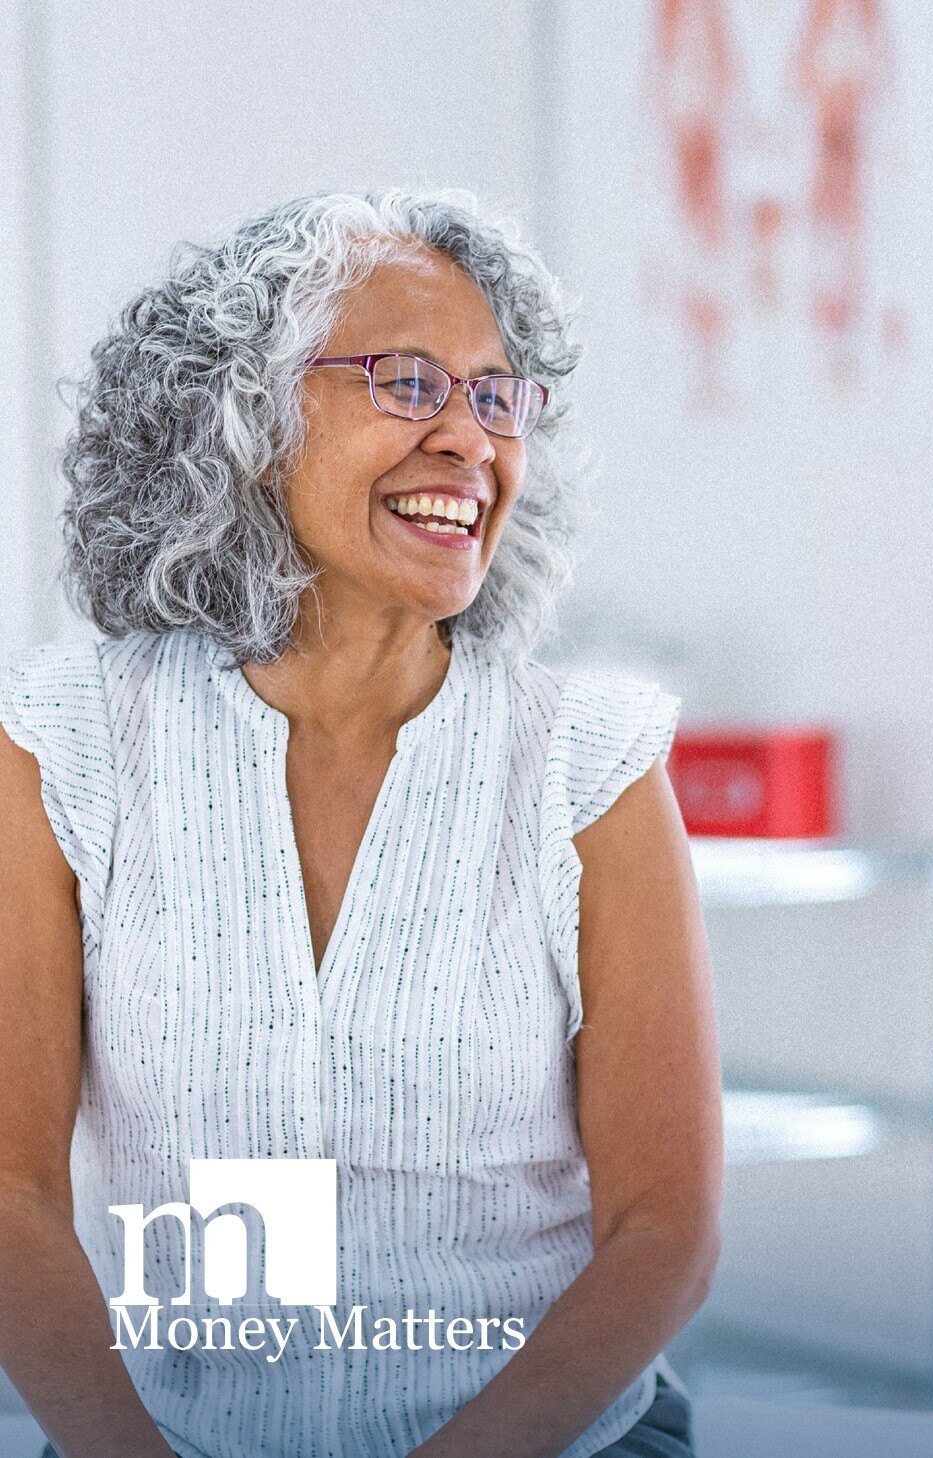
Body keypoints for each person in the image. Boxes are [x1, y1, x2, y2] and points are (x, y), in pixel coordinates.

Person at [0, 188, 722, 1458]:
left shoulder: (587, 767)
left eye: (497, 398)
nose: (470, 440)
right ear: (244, 422)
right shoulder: (68, 748)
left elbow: (664, 1234)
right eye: (407, 382)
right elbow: (9, 1194)